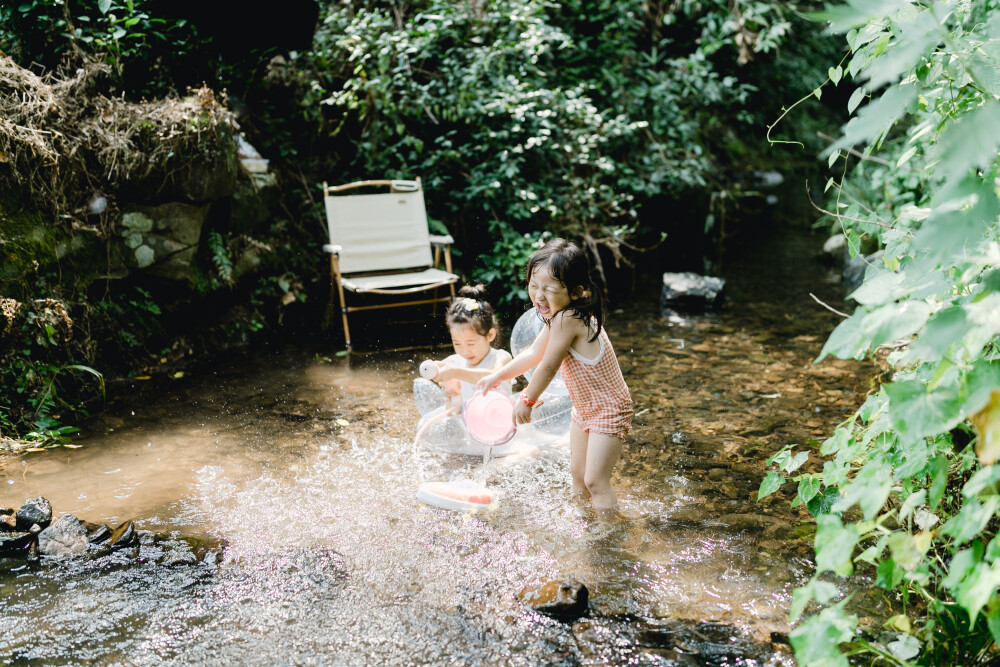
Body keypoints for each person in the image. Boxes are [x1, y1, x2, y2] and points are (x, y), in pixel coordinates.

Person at [478, 238, 633, 510]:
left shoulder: (569, 319)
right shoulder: (558, 316)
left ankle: (608, 535)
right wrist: (497, 377)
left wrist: (526, 399)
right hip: (585, 407)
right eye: (534, 286)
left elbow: (548, 365)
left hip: (609, 408)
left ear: (576, 292)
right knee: (577, 475)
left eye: (549, 288)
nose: (539, 295)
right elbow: (532, 354)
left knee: (595, 480)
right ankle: (583, 523)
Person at [430, 285, 513, 412]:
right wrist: (451, 395)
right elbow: (454, 412)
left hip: (502, 425)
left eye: (470, 344)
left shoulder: (501, 358)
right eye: (457, 344)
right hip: (471, 426)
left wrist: (455, 372)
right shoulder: (453, 363)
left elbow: (494, 376)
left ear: (490, 335)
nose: (464, 351)